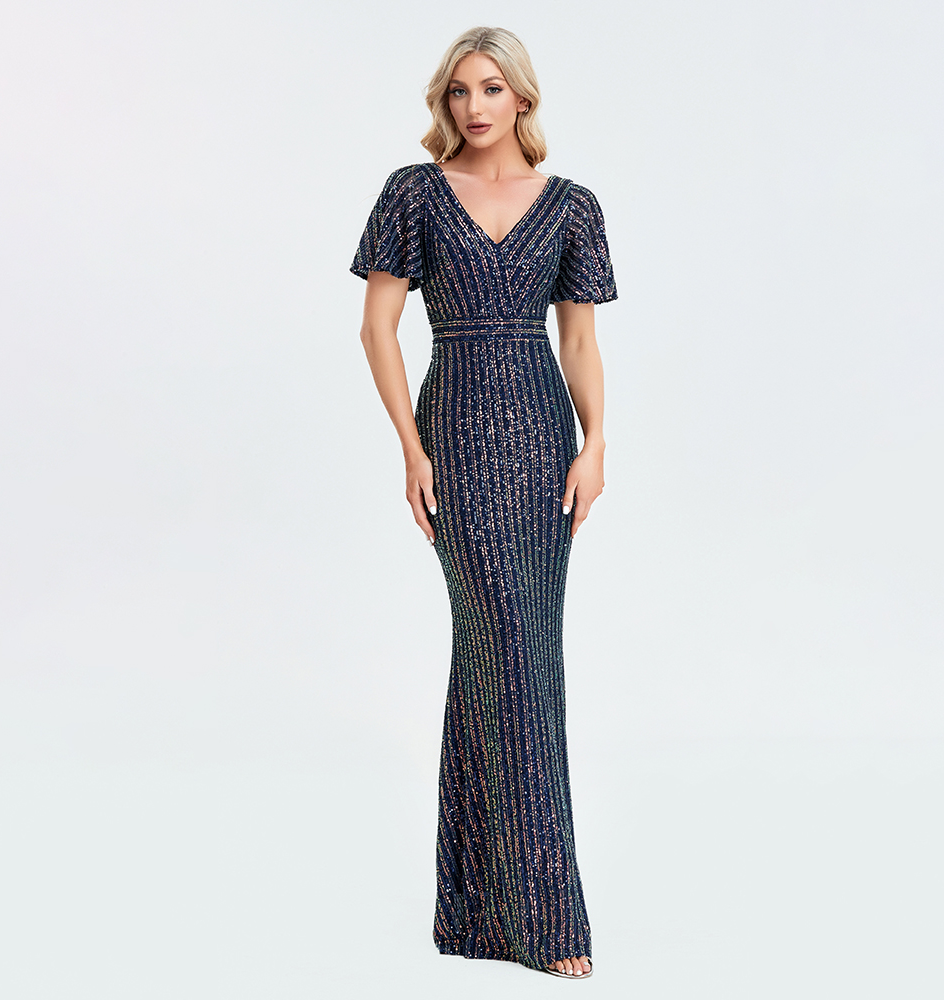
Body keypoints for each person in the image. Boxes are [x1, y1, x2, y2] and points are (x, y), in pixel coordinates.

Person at [349, 25, 617, 979]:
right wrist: (410, 447)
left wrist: (596, 444)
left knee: (506, 657)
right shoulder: (413, 193)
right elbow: (378, 328)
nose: (473, 106)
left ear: (522, 99)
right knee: (511, 653)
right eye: (459, 90)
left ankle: (474, 912)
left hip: (544, 442)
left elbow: (578, 341)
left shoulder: (572, 205)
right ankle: (547, 921)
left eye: (491, 88)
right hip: (456, 437)